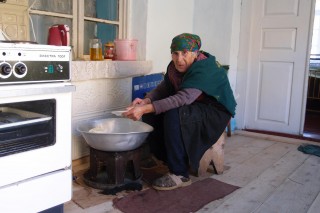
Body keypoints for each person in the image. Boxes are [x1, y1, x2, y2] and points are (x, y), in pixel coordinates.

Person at [123, 33, 236, 191]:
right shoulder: (174, 67)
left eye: (185, 53)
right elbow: (164, 88)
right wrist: (146, 101)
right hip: (194, 105)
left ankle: (180, 174)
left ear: (195, 53)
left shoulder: (204, 68)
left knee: (174, 113)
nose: (179, 59)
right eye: (175, 53)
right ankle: (164, 157)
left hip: (215, 112)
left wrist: (144, 108)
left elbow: (181, 99)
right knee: (151, 111)